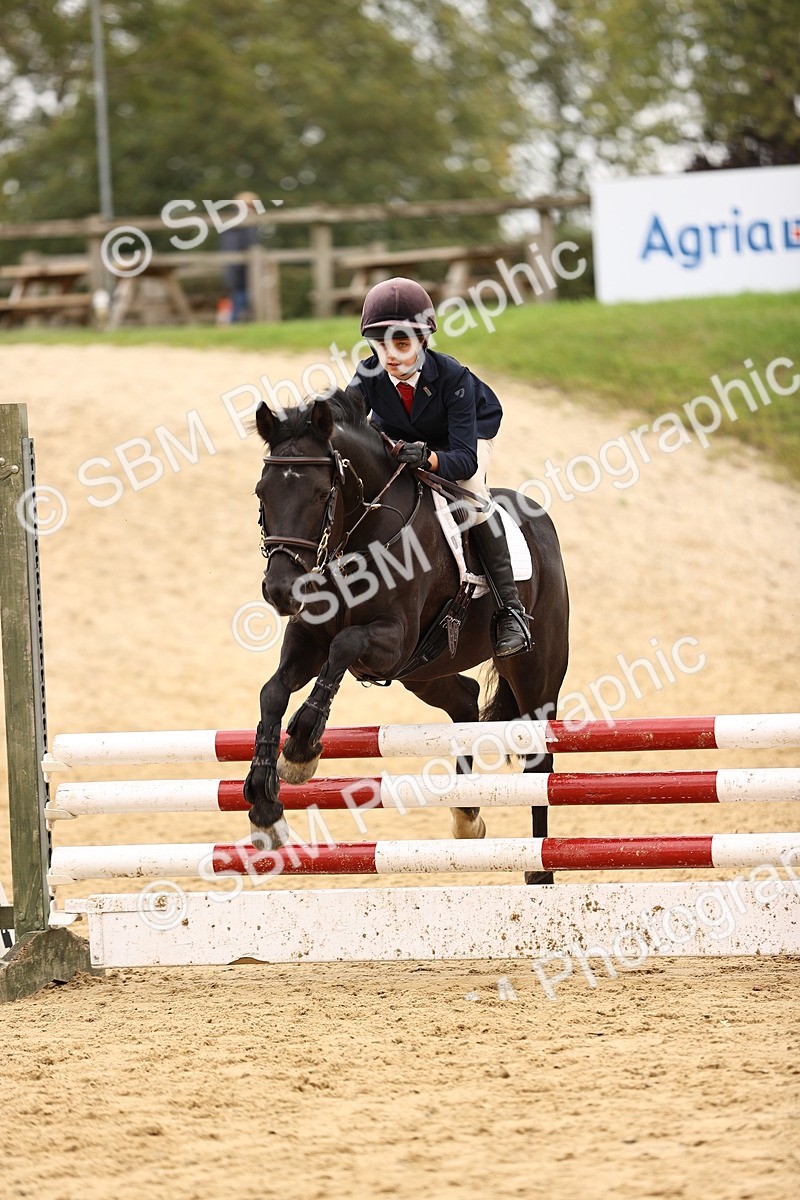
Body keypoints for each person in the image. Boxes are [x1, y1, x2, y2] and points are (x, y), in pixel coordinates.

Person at [349, 276, 531, 657]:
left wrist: (429, 458)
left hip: (464, 437)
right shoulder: (370, 372)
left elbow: (464, 458)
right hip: (403, 433)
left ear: (423, 341)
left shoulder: (455, 379)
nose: (391, 356)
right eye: (382, 345)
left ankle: (511, 611)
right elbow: (344, 416)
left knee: (475, 498)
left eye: (402, 344)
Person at [219, 192, 261, 321]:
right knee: (242, 293)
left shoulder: (231, 220)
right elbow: (249, 242)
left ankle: (236, 320)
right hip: (240, 263)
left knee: (239, 292)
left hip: (236, 262)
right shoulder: (243, 220)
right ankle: (235, 320)